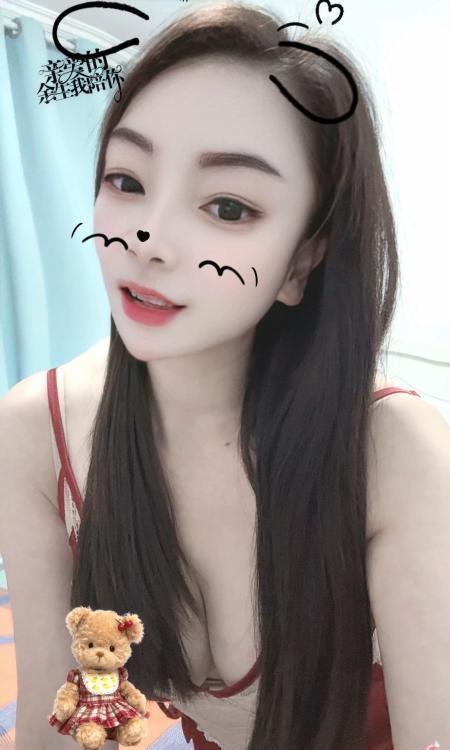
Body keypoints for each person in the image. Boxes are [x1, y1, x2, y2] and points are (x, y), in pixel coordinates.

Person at [2, 3, 449, 750]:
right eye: (127, 180)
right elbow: (61, 725)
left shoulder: (392, 451)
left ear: (302, 259)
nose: (148, 240)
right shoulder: (36, 431)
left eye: (228, 206)